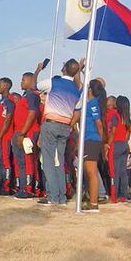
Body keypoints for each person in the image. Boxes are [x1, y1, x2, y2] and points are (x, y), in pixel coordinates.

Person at [36, 58, 84, 206]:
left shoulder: (54, 82)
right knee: (59, 161)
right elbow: (77, 111)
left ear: (63, 68)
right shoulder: (77, 90)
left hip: (51, 125)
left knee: (49, 161)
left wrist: (38, 69)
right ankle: (61, 196)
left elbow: (33, 85)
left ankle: (53, 196)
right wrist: (70, 125)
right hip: (65, 127)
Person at [11, 72, 41, 198]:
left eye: (23, 80)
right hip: (19, 131)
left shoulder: (32, 96)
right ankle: (22, 187)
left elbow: (32, 113)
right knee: (20, 162)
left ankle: (29, 188)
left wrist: (23, 133)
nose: (21, 82)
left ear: (30, 81)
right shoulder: (25, 95)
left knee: (28, 160)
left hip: (28, 132)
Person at [81, 79, 106, 213]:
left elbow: (99, 124)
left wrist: (100, 141)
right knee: (89, 171)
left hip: (91, 139)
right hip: (87, 140)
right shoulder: (89, 103)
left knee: (91, 172)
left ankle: (94, 203)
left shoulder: (93, 104)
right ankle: (92, 200)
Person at [106, 94, 131, 203]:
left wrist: (108, 144)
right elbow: (128, 133)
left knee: (114, 172)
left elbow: (113, 131)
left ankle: (114, 195)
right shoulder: (127, 118)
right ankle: (123, 195)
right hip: (124, 144)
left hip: (115, 144)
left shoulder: (115, 116)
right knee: (123, 172)